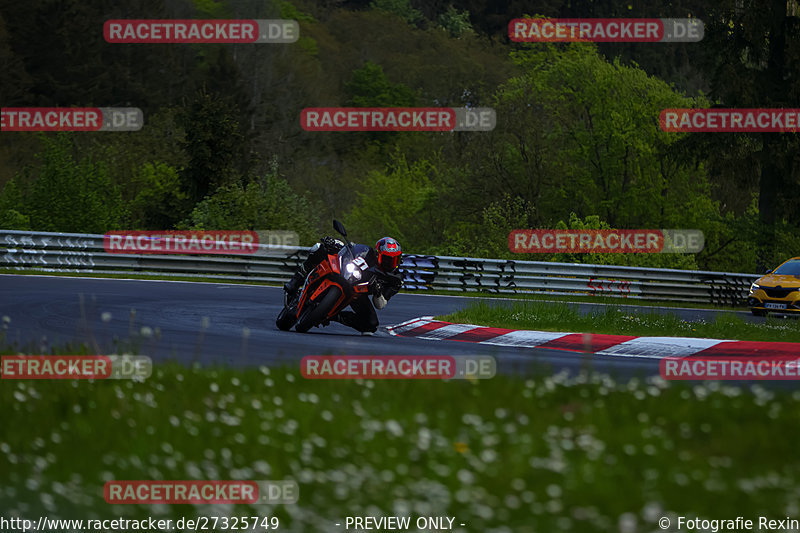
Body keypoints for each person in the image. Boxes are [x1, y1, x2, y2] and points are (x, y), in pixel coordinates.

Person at [283, 236, 403, 334]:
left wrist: (378, 292)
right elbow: (351, 247)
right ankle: (295, 282)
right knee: (319, 248)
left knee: (371, 325)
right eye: (386, 259)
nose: (390, 263)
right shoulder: (368, 253)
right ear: (378, 254)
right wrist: (334, 242)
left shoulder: (395, 280)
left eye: (394, 260)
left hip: (359, 293)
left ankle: (333, 316)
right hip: (347, 275)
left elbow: (380, 305)